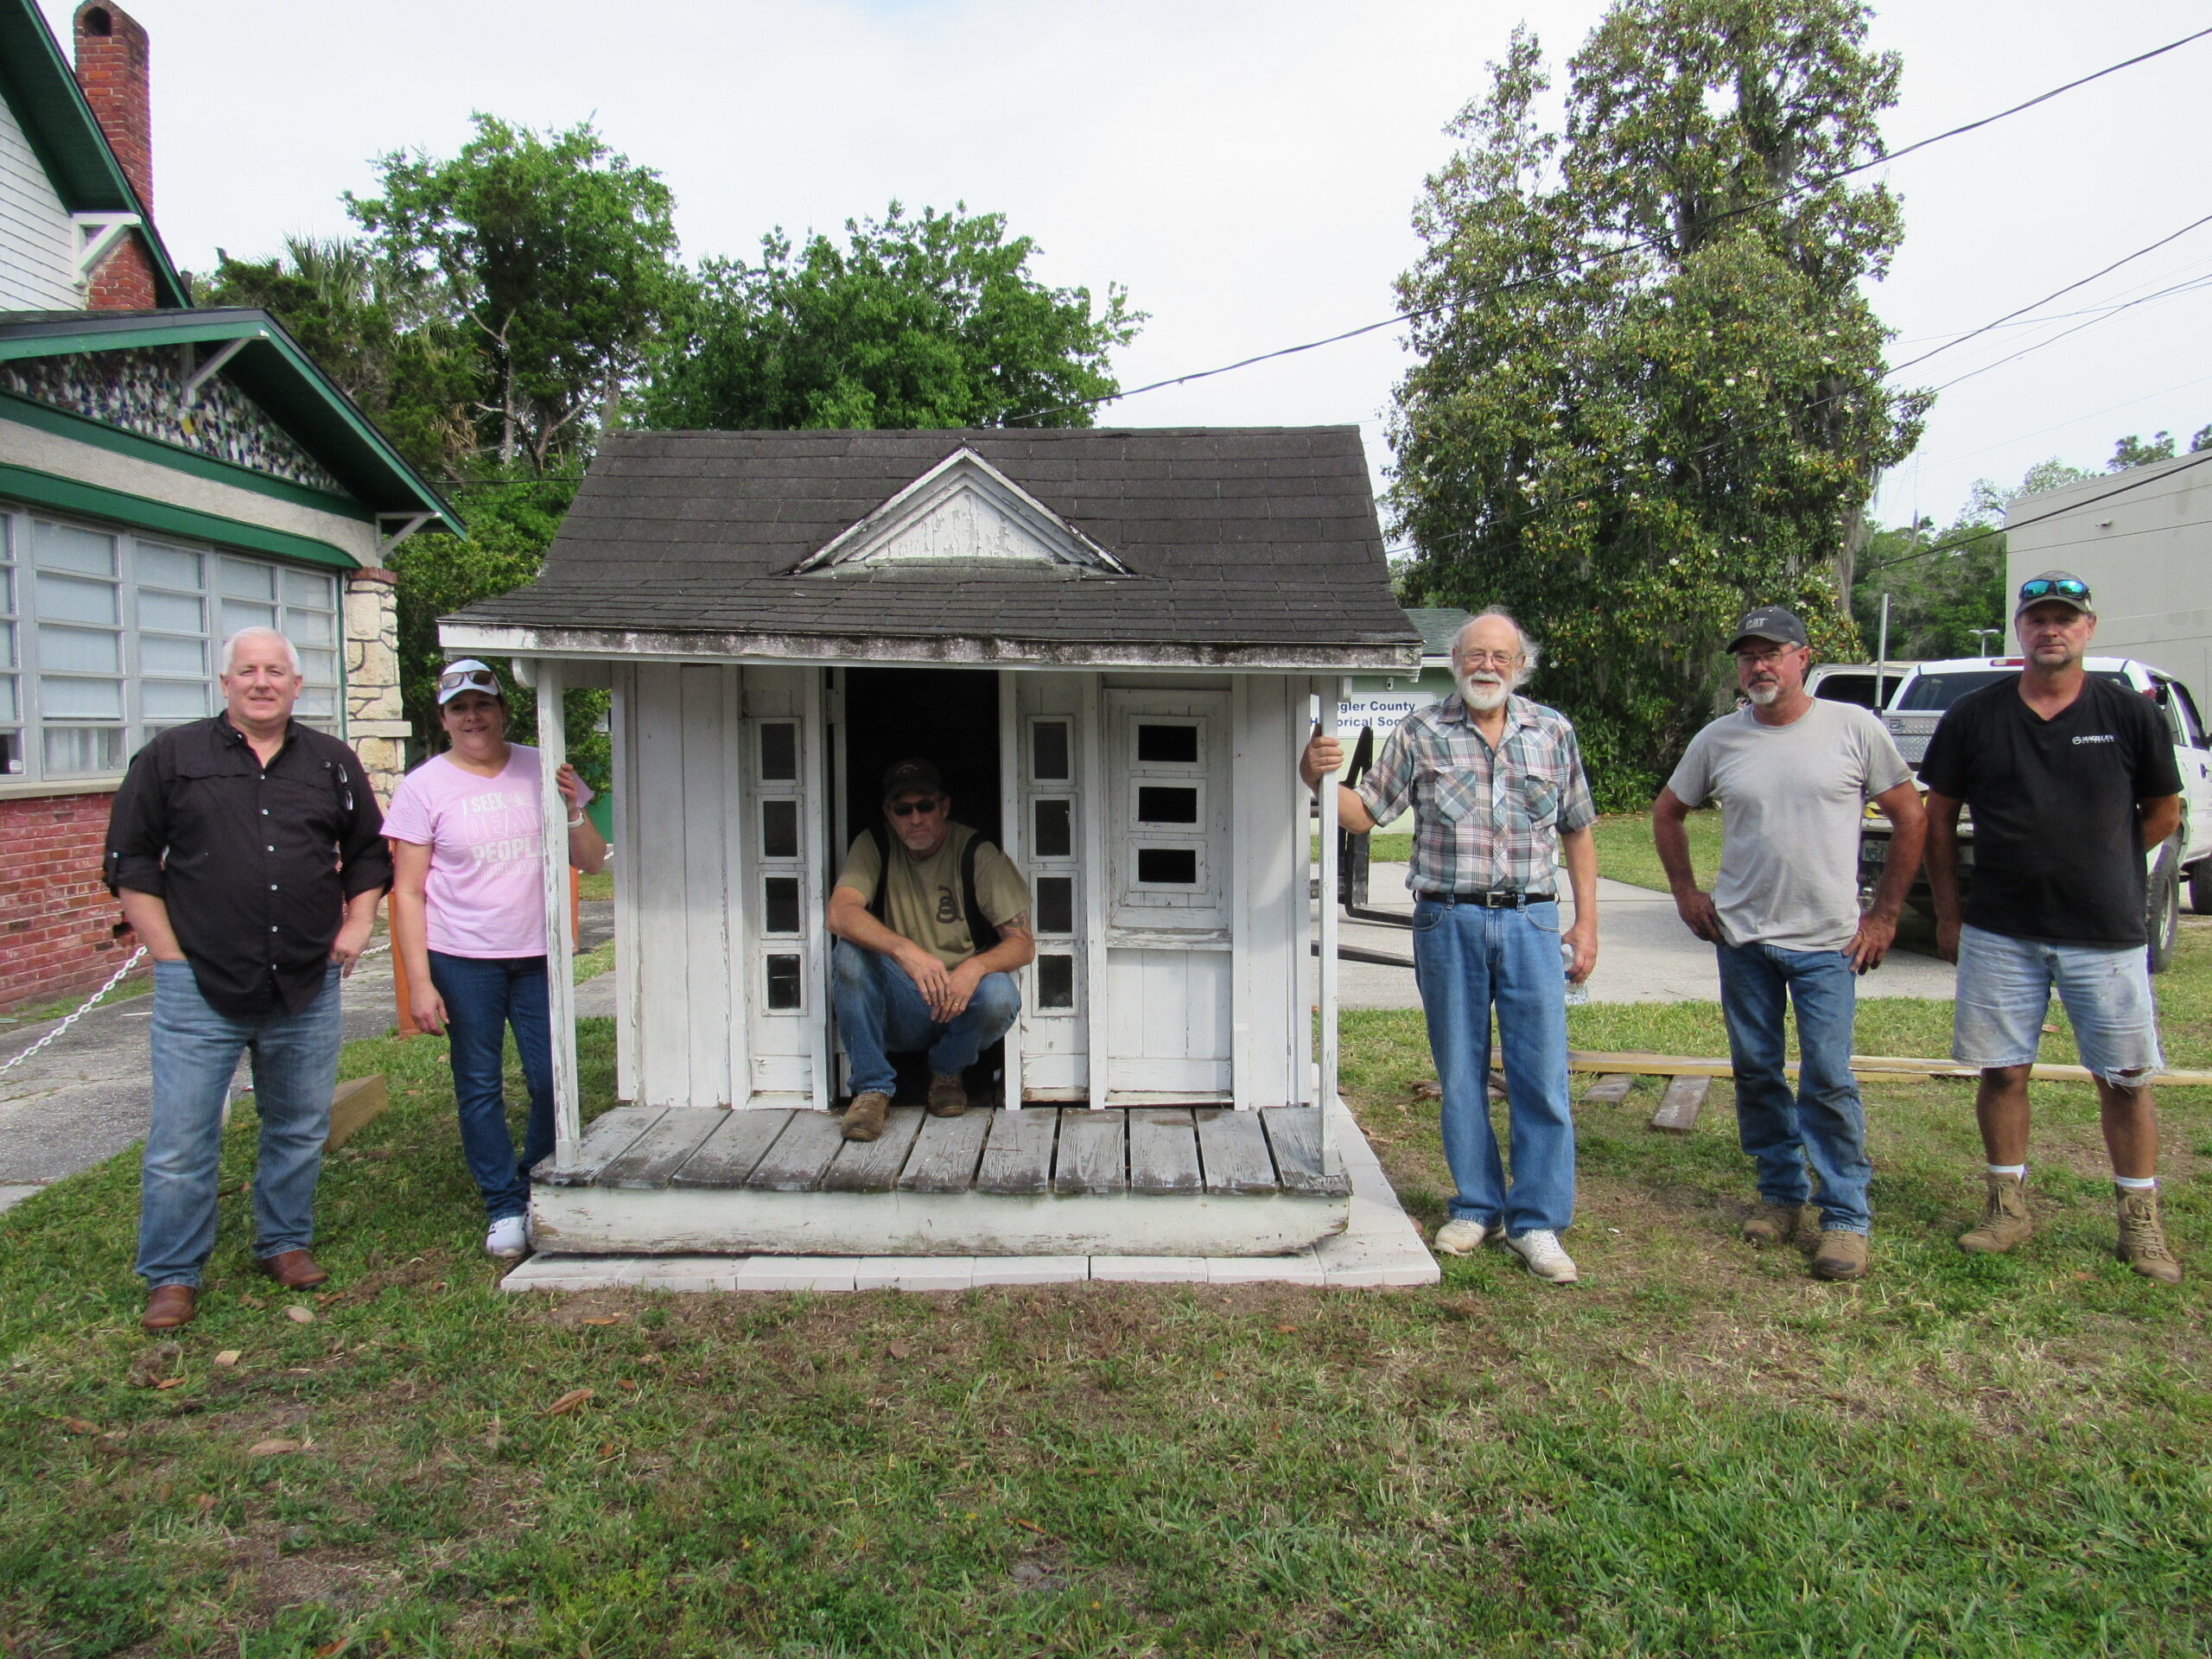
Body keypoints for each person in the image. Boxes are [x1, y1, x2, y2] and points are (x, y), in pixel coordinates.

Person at [104, 628, 391, 1332]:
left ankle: (284, 1242)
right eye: (247, 672)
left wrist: (358, 928)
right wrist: (168, 956)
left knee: (297, 1125)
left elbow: (366, 855)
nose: (262, 682)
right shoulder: (172, 758)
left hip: (304, 982)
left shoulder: (330, 762)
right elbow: (131, 861)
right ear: (226, 684)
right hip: (197, 983)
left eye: (276, 672)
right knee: (182, 1138)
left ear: (297, 687)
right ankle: (172, 1275)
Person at [1301, 608, 1598, 1284]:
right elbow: (1364, 813)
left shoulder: (1553, 732)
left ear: (1521, 666)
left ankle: (1539, 1222)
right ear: (1456, 661)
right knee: (1460, 1072)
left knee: (1541, 1075)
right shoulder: (1420, 732)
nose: (1486, 667)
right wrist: (1314, 776)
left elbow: (1578, 830)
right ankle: (1475, 1205)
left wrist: (1587, 923)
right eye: (1474, 656)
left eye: (1500, 657)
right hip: (1448, 921)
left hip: (1531, 922)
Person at [1923, 571, 2185, 1284]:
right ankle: (2007, 1205)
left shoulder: (2129, 713)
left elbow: (2166, 811)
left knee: (2126, 1079)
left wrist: (2107, 858)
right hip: (2002, 929)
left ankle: (2139, 1221)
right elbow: (1938, 817)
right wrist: (1949, 911)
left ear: (2088, 629)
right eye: (2038, 618)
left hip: (2106, 933)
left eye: (2065, 619)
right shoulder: (1975, 717)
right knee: (2003, 1071)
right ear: (2020, 630)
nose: (2051, 630)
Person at [1652, 606, 1926, 1282]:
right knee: (1757, 1071)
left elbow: (1910, 814)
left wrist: (1885, 916)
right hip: (1742, 938)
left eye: (1772, 653)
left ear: (1803, 657)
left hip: (1828, 943)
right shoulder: (1720, 739)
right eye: (1747, 657)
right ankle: (1780, 1195)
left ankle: (1845, 1217)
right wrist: (1687, 893)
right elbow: (1668, 811)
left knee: (1828, 1077)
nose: (1759, 667)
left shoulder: (1853, 728)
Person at [385, 660, 607, 1260]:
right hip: (463, 958)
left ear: (503, 711)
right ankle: (503, 1206)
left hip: (538, 957)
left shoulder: (543, 765)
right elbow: (406, 890)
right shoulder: (424, 787)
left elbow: (590, 860)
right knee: (478, 1083)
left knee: (548, 1078)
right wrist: (420, 983)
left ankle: (533, 1180)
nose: (473, 717)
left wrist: (573, 807)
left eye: (483, 704)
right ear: (444, 719)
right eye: (459, 708)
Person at [826, 759, 1034, 1141]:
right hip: (902, 997)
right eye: (903, 810)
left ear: (944, 807)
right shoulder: (875, 844)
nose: (915, 818)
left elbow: (1022, 945)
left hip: (959, 999)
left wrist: (972, 969)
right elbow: (839, 913)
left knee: (1000, 995)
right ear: (889, 814)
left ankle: (946, 1073)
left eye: (925, 806)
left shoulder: (976, 852)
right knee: (848, 954)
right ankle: (872, 1089)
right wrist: (905, 951)